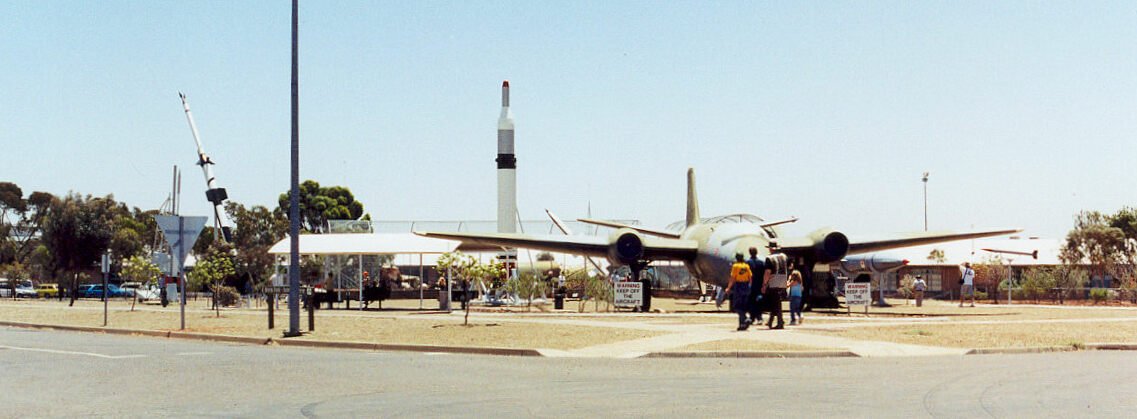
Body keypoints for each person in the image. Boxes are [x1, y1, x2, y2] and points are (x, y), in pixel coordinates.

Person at [724, 253, 753, 331]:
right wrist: (750, 287)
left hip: (739, 286)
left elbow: (733, 277)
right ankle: (742, 324)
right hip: (746, 286)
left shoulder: (735, 266)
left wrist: (728, 287)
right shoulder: (746, 266)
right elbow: (750, 277)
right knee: (743, 306)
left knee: (736, 306)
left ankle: (746, 319)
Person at [762, 253, 787, 329]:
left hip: (773, 281)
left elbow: (767, 272)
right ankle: (771, 321)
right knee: (777, 302)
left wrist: (764, 284)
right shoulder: (783, 256)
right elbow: (789, 266)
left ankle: (779, 322)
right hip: (782, 281)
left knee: (775, 302)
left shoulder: (769, 258)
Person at [745, 247, 765, 325]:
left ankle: (753, 317)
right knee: (758, 301)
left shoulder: (747, 263)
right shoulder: (761, 263)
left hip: (750, 284)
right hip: (759, 284)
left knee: (751, 302)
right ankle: (757, 317)